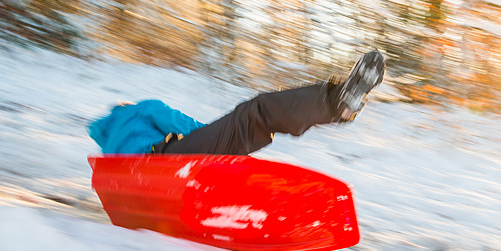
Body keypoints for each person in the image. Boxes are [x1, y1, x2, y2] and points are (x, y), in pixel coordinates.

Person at [88, 50, 385, 156]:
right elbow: (173, 120)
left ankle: (338, 104)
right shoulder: (139, 109)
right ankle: (336, 103)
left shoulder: (109, 146)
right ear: (123, 107)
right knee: (251, 114)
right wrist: (216, 133)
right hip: (167, 161)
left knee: (246, 125)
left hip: (158, 172)